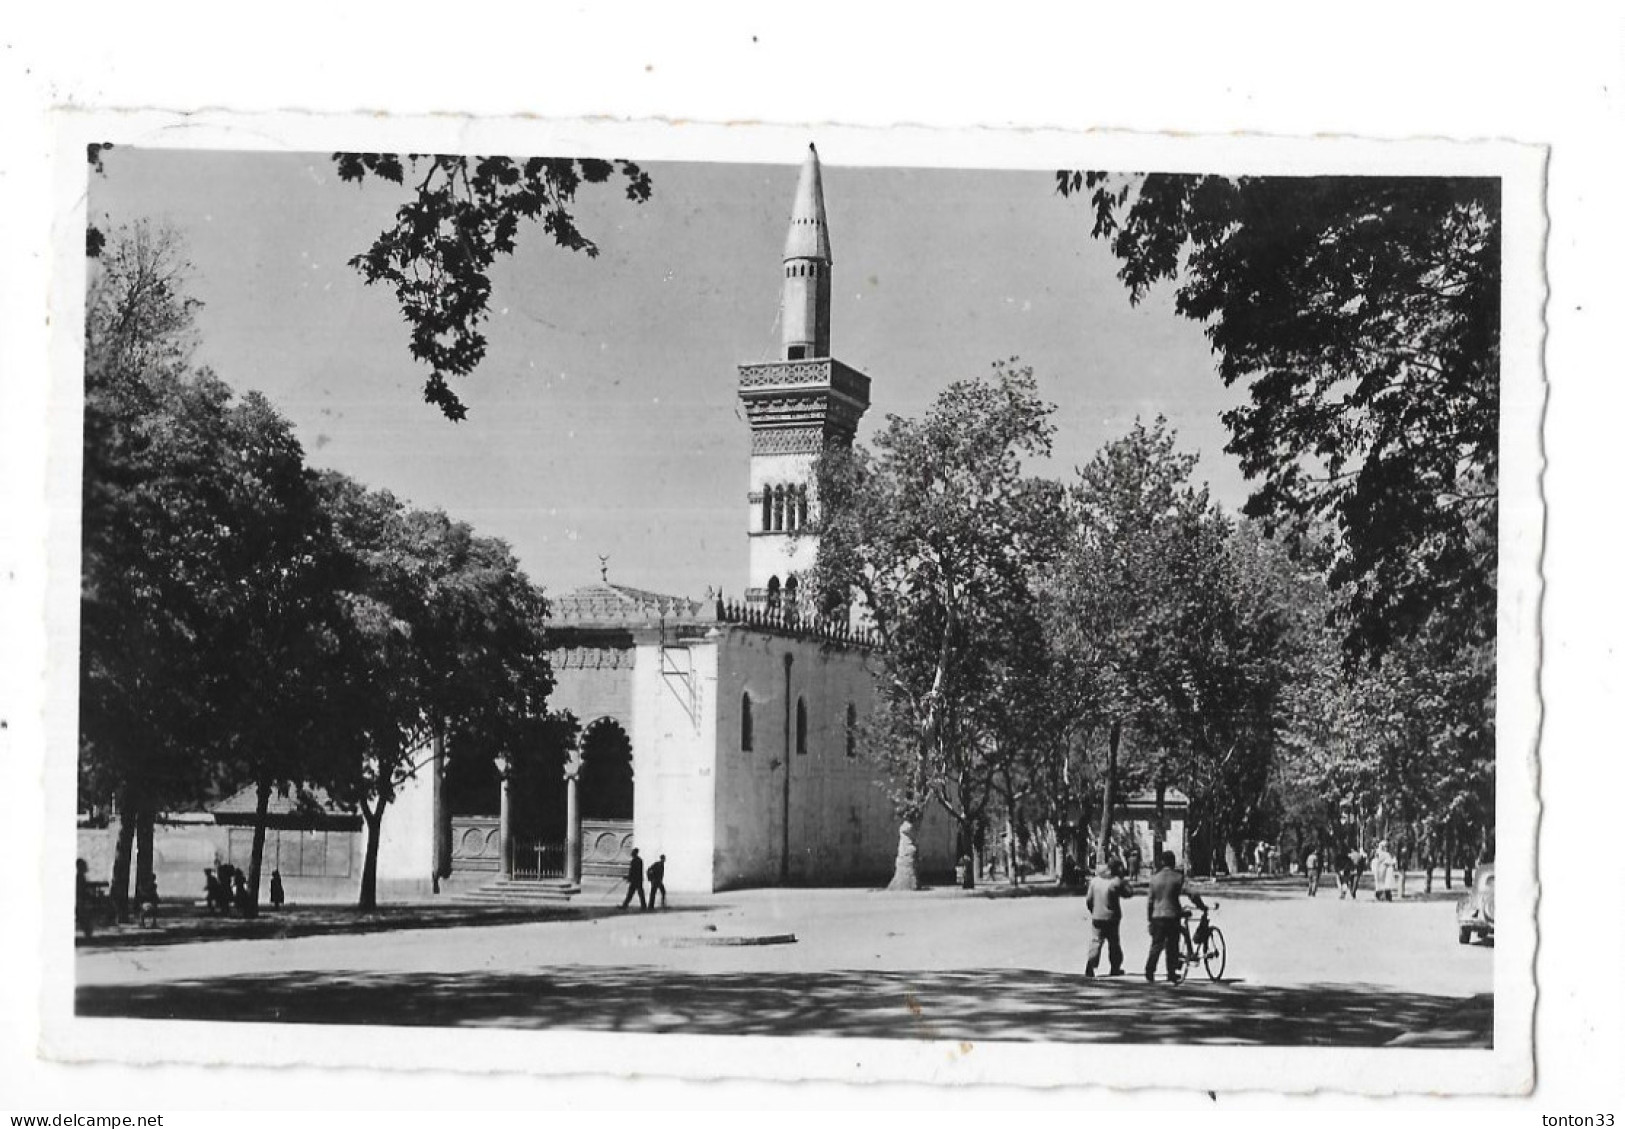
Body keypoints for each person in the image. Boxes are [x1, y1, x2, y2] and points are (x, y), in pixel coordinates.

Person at [1145, 850, 1206, 983]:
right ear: (1173, 862)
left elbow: (1150, 901)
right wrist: (1201, 906)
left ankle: (1149, 971)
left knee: (1156, 944)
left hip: (1157, 916)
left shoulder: (1154, 879)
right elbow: (1192, 893)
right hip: (1172, 915)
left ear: (1162, 862)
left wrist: (1150, 919)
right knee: (1172, 945)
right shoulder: (1178, 877)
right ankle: (1171, 973)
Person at [1083, 859, 1136, 976]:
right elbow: (1129, 893)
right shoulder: (1116, 882)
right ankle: (1115, 967)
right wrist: (1124, 881)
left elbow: (1088, 900)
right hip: (1112, 917)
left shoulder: (1094, 881)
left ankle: (1090, 966)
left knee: (1096, 941)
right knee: (1114, 943)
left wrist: (1093, 910)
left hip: (1097, 916)